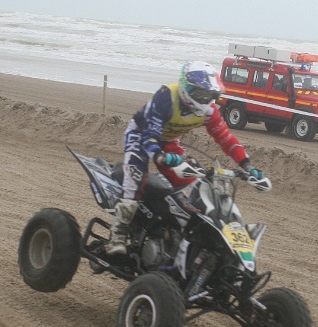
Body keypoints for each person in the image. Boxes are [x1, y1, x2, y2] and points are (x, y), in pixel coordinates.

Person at [106, 61, 269, 256]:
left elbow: (227, 140)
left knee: (192, 186)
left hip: (168, 141)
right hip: (141, 136)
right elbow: (150, 135)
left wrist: (248, 166)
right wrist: (160, 157)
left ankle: (175, 233)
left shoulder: (209, 111)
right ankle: (117, 235)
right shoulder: (167, 97)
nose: (205, 99)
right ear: (186, 88)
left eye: (210, 95)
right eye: (201, 94)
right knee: (135, 179)